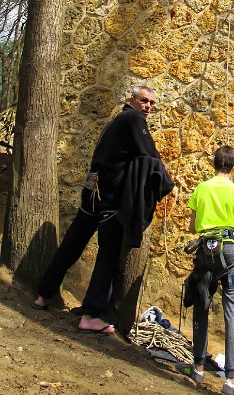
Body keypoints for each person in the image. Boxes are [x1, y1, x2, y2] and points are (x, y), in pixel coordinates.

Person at [33, 85, 173, 335]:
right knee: (107, 254)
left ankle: (44, 295)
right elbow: (151, 154)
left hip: (92, 191)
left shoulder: (116, 121)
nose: (148, 106)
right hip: (109, 197)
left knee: (73, 243)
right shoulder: (132, 119)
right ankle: (91, 314)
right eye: (144, 100)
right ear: (132, 100)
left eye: (152, 103)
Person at [176, 145, 234, 395]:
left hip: (206, 251)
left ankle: (198, 367)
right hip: (230, 250)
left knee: (202, 302)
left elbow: (191, 226)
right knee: (233, 310)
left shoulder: (202, 188)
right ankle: (231, 381)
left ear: (214, 165)